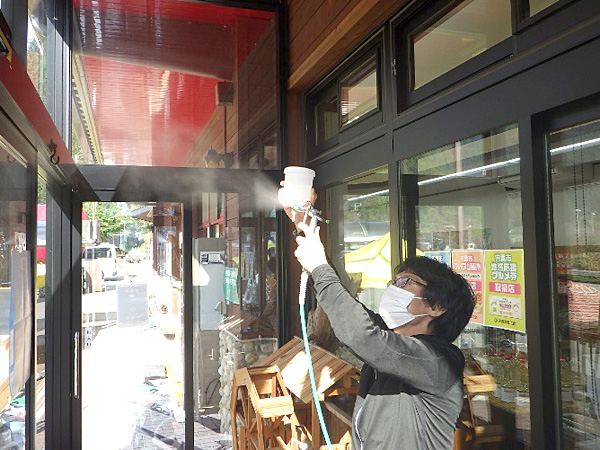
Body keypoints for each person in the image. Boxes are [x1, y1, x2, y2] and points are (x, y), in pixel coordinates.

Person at [286, 205, 475, 449]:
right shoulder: (391, 341)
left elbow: (361, 334)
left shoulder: (438, 360)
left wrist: (320, 267)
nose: (393, 289)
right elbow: (348, 310)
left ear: (436, 306)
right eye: (393, 282)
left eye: (404, 282)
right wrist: (307, 227)